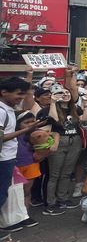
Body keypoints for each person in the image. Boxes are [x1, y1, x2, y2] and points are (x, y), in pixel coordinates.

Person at [38, 80, 83, 215]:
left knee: (67, 173)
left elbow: (84, 119)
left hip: (74, 140)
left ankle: (62, 199)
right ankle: (50, 203)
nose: (65, 94)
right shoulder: (48, 109)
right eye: (61, 93)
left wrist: (85, 103)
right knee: (54, 174)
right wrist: (53, 102)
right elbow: (54, 119)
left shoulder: (75, 109)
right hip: (58, 140)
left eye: (67, 92)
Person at [0, 76, 40, 215]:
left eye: (23, 94)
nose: (21, 97)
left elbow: (28, 104)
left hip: (8, 158)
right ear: (4, 92)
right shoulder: (1, 111)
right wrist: (25, 130)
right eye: (18, 93)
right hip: (3, 159)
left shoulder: (10, 109)